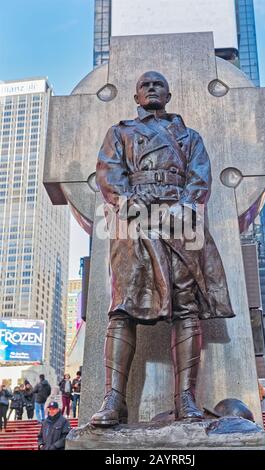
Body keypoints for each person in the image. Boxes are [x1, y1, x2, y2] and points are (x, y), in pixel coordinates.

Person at [91, 71, 234, 426]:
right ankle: (113, 400)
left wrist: (179, 210)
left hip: (180, 223)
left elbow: (200, 180)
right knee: (122, 308)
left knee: (187, 309)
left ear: (168, 94)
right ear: (137, 97)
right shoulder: (120, 132)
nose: (151, 88)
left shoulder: (189, 137)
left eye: (158, 84)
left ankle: (186, 398)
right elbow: (110, 178)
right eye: (144, 85)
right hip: (133, 224)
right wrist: (134, 208)